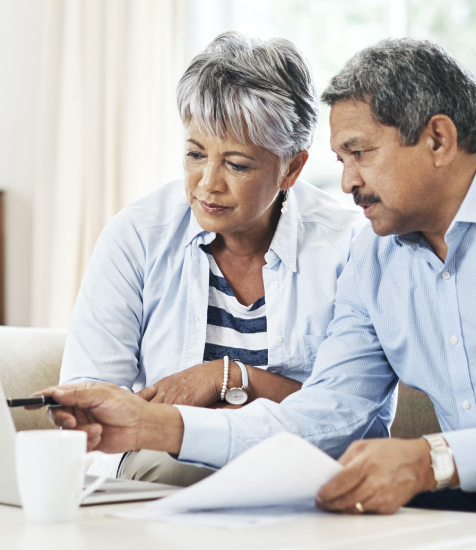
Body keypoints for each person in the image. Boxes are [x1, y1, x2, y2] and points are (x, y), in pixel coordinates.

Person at [41, 38, 476, 548]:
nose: (344, 184)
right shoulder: (370, 260)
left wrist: (433, 458)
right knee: (371, 523)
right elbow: (326, 417)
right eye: (341, 160)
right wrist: (158, 426)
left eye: (360, 154)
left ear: (437, 138)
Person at [57, 32, 364, 487]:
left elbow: (354, 417)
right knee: (165, 469)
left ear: (292, 169)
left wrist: (228, 378)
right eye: (195, 154)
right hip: (163, 474)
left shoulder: (348, 247)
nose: (207, 184)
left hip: (297, 475)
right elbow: (89, 400)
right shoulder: (137, 236)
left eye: (236, 164)